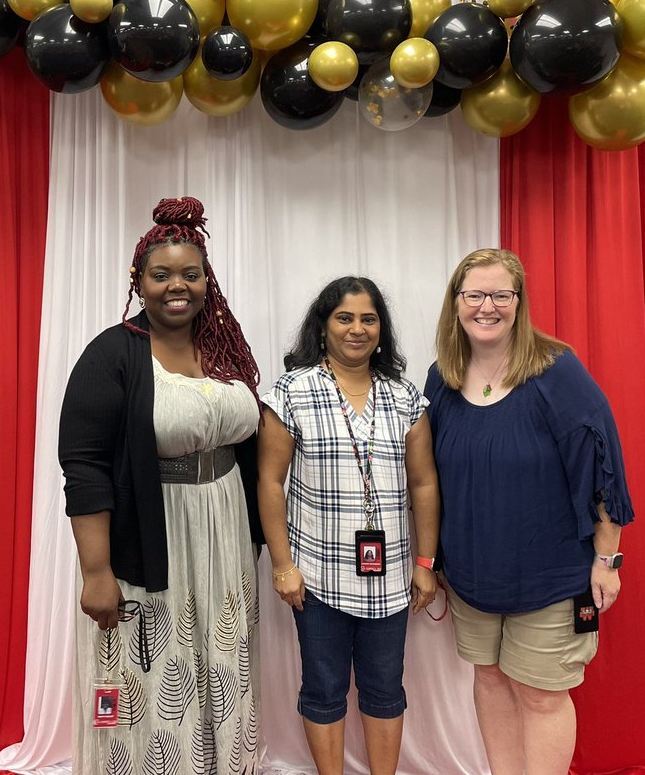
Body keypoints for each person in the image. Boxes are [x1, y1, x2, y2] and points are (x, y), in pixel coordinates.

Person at [59, 197, 264, 773]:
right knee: (147, 671)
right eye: (162, 274)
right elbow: (85, 468)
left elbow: (252, 440)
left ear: (207, 280)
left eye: (191, 274)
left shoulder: (225, 349)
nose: (179, 286)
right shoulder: (111, 353)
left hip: (223, 532)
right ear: (139, 280)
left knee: (218, 661)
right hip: (152, 534)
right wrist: (97, 573)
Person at [425, 248, 635, 775]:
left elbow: (602, 465)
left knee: (542, 696)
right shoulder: (442, 379)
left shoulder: (554, 371)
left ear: (519, 303)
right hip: (473, 576)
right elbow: (429, 479)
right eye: (474, 295)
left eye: (501, 295)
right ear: (456, 303)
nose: (487, 307)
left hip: (550, 576)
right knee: (490, 678)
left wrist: (606, 561)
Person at [258, 276, 440, 775]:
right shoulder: (291, 393)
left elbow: (423, 484)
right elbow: (270, 483)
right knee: (322, 687)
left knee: (385, 687)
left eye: (368, 319)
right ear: (323, 327)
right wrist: (281, 566)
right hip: (315, 576)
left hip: (392, 577)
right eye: (345, 318)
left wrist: (426, 563)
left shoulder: (406, 397)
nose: (357, 329)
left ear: (381, 330)